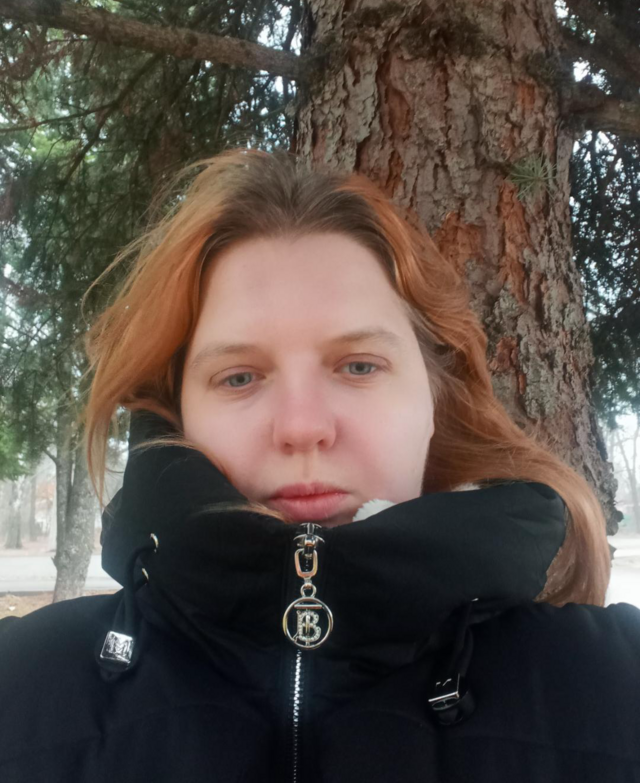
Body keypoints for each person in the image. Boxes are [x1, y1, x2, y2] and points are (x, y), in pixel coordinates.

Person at [1, 148, 638, 782]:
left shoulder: (615, 689)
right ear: (177, 416)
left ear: (436, 400)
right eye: (239, 376)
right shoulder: (21, 688)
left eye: (359, 366)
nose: (302, 426)